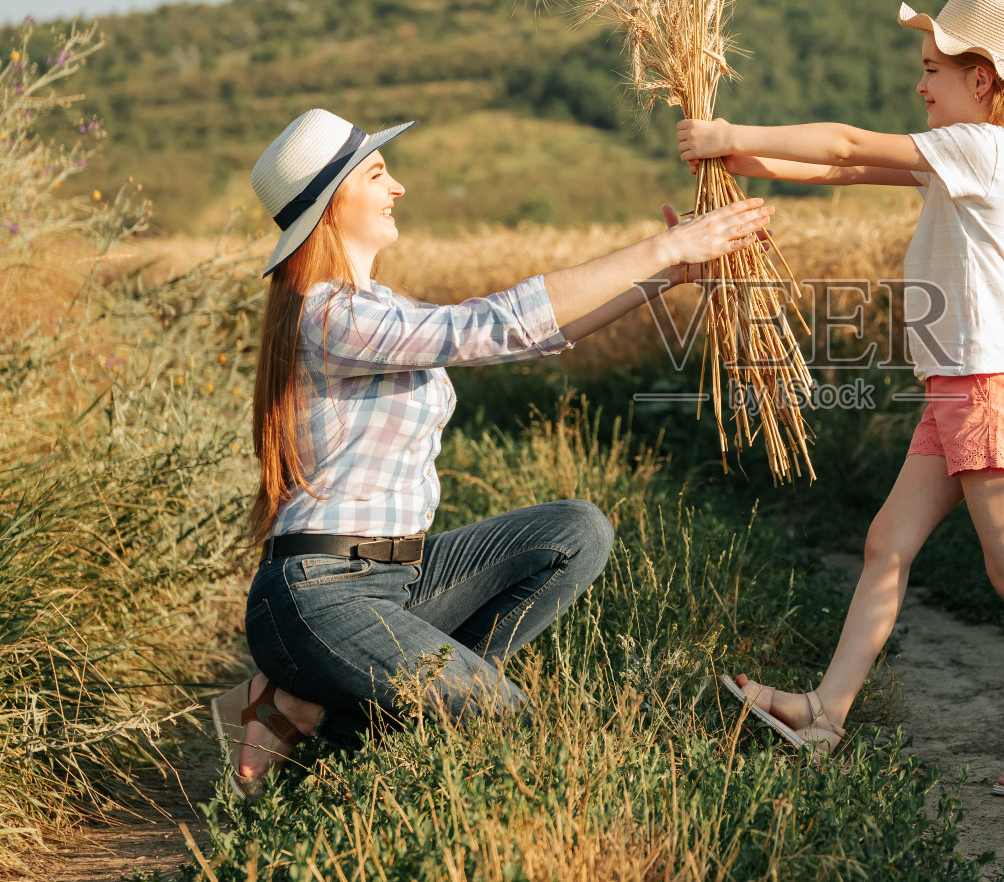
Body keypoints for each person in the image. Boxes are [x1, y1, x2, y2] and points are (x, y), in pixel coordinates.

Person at [213, 107, 773, 797]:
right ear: (332, 206)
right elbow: (496, 325)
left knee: (577, 530)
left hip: (398, 580)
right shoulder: (330, 314)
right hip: (318, 594)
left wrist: (672, 272)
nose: (399, 189)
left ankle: (332, 708)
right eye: (379, 174)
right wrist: (657, 249)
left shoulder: (375, 305)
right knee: (503, 718)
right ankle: (343, 714)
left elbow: (528, 335)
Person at [679, 0, 1004, 798]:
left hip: (988, 385)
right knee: (888, 542)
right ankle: (825, 712)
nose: (922, 86)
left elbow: (846, 139)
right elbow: (846, 163)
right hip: (959, 386)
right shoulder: (962, 157)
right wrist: (729, 161)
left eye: (933, 70)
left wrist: (732, 131)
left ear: (983, 80)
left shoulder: (988, 151)